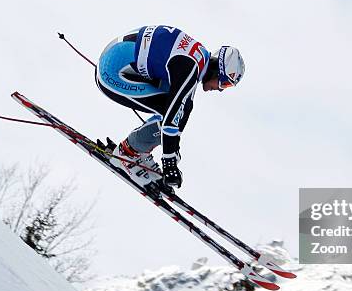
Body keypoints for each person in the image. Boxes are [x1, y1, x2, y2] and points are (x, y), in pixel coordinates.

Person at [95, 25, 245, 190]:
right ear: (218, 71)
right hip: (112, 73)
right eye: (224, 83)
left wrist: (173, 153)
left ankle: (138, 149)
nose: (220, 89)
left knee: (181, 107)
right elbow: (171, 119)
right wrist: (170, 164)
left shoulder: (198, 59)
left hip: (121, 63)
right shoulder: (190, 67)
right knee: (172, 112)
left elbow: (183, 110)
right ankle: (127, 153)